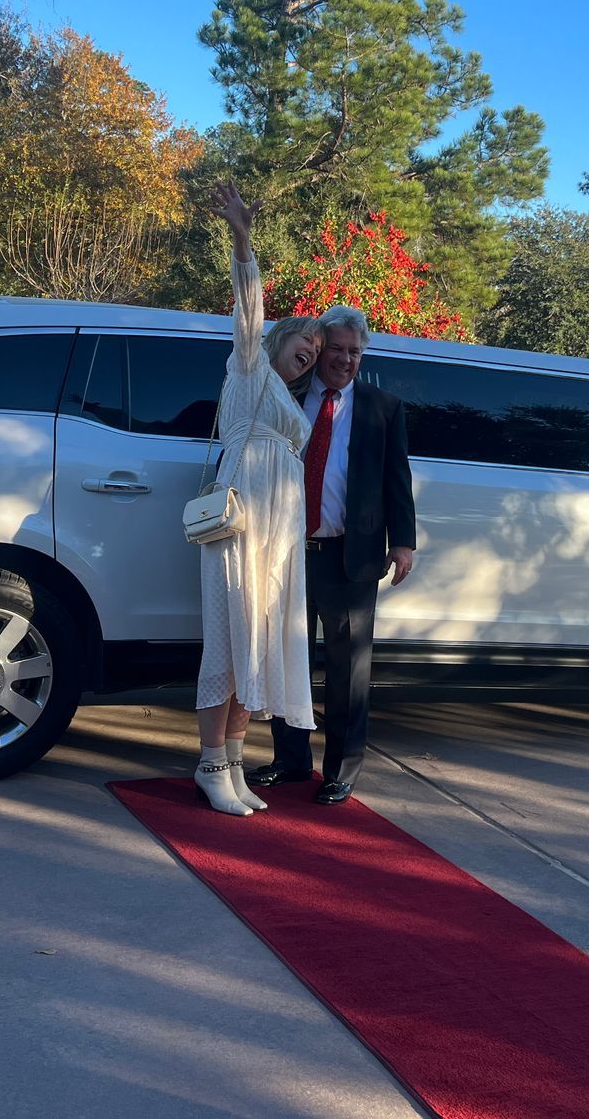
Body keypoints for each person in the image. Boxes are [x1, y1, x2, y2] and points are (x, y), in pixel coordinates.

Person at [192, 182, 324, 816]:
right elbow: (249, 307)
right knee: (229, 642)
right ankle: (209, 764)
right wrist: (243, 240)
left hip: (277, 538)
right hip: (239, 527)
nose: (313, 354)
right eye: (307, 341)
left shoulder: (291, 401)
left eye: (320, 353)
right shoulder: (249, 371)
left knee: (260, 650)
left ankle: (235, 764)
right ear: (281, 336)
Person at [249, 305, 416, 805]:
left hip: (351, 556)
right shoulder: (288, 395)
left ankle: (341, 771)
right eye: (337, 349)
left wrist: (402, 542)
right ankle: (291, 761)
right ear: (320, 350)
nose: (345, 359)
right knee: (288, 661)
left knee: (348, 671)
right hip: (287, 552)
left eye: (354, 352)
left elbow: (396, 481)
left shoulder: (383, 408)